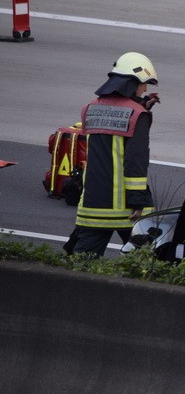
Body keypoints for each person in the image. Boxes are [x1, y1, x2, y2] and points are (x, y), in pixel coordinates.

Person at [70, 52, 159, 256]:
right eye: (144, 83)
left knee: (81, 267)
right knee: (145, 262)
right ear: (133, 81)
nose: (145, 88)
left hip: (91, 207)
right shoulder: (138, 115)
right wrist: (137, 200)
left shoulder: (90, 108)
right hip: (126, 210)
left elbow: (109, 135)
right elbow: (135, 160)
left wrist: (140, 105)